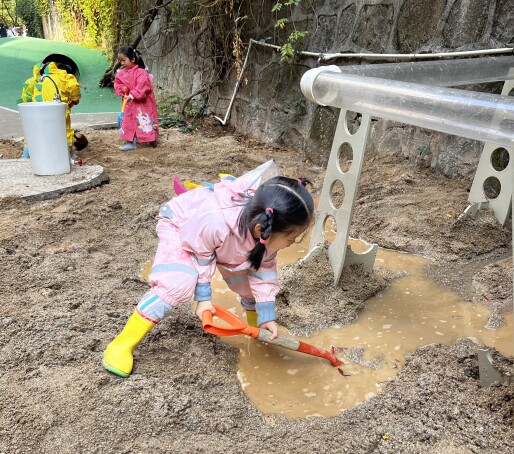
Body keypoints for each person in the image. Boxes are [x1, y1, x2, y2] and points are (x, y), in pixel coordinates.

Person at [102, 161, 315, 377]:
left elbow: (264, 274)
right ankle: (122, 344)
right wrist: (203, 299)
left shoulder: (265, 233)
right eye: (292, 238)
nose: (292, 243)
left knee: (249, 285)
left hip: (225, 237)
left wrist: (266, 316)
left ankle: (257, 331)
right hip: (184, 227)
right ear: (262, 230)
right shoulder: (215, 221)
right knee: (177, 285)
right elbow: (201, 254)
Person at [19, 61, 81, 159]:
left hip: (36, 111)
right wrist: (75, 99)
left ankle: (26, 155)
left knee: (33, 131)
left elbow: (26, 97)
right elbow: (74, 87)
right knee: (64, 131)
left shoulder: (36, 79)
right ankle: (68, 155)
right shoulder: (65, 76)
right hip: (57, 111)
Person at [113, 46, 159, 151]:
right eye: (120, 61)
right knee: (128, 122)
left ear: (132, 59)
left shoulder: (141, 72)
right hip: (129, 104)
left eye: (124, 60)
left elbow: (143, 86)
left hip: (142, 104)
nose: (122, 63)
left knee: (146, 120)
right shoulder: (121, 73)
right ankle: (130, 142)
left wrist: (132, 95)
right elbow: (117, 84)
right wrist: (122, 89)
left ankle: (152, 140)